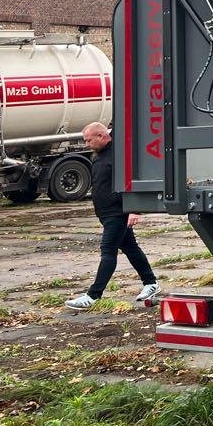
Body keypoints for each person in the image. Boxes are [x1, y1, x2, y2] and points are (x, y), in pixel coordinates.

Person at [65, 122, 160, 309]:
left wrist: (135, 209)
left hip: (118, 213)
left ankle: (93, 295)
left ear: (101, 136)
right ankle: (151, 283)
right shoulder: (100, 155)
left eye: (88, 140)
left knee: (108, 252)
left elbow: (133, 179)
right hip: (106, 213)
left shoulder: (119, 153)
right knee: (131, 248)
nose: (86, 144)